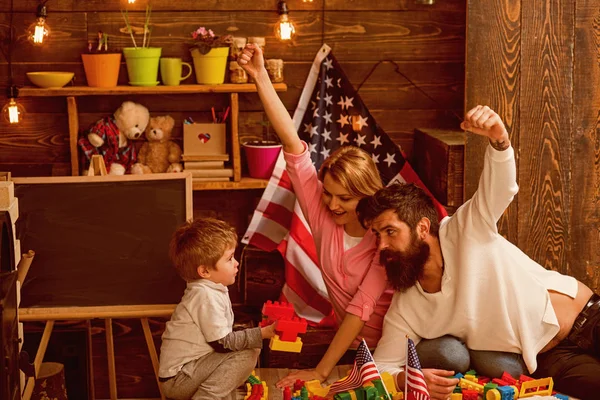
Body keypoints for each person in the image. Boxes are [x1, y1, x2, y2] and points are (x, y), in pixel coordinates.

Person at [357, 105, 599, 400]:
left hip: (589, 320)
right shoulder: (407, 305)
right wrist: (402, 379)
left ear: (422, 228)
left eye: (390, 232)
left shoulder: (465, 230)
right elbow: (381, 364)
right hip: (551, 360)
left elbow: (499, 188)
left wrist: (499, 140)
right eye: (377, 235)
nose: (381, 246)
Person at [238, 43, 394, 388]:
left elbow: (360, 308)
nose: (333, 204)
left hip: (394, 347)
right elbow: (292, 143)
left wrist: (321, 372)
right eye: (328, 193)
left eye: (346, 198)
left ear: (367, 195)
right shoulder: (324, 211)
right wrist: (260, 76)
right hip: (352, 348)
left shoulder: (385, 236)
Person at [158, 218, 277, 400]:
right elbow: (223, 343)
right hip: (179, 379)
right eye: (229, 259)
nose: (236, 263)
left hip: (192, 371)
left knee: (243, 350)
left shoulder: (210, 289)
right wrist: (262, 333)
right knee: (248, 351)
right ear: (204, 271)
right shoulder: (204, 295)